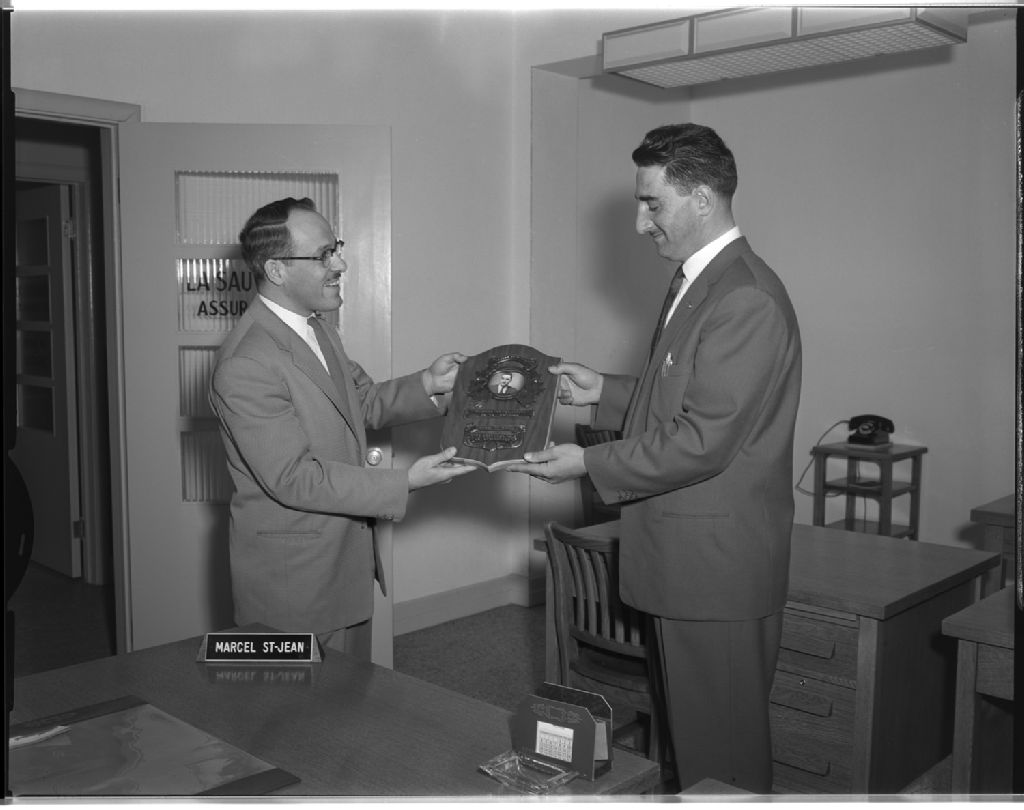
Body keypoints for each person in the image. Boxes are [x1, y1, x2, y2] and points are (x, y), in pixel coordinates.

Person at [507, 124, 802, 793]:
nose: (641, 223)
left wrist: (587, 464)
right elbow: (685, 393)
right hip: (686, 560)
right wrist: (604, 391)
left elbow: (703, 439)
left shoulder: (744, 296)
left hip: (716, 572)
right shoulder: (702, 281)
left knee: (721, 760)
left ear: (701, 198)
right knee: (690, 746)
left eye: (652, 204)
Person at [210, 197, 475, 661]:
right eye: (323, 255)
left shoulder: (318, 329)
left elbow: (363, 402)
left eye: (336, 249)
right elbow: (293, 478)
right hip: (295, 587)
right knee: (296, 706)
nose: (341, 264)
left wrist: (429, 385)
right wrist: (405, 481)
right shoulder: (247, 363)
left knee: (351, 698)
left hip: (344, 569)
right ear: (276, 270)